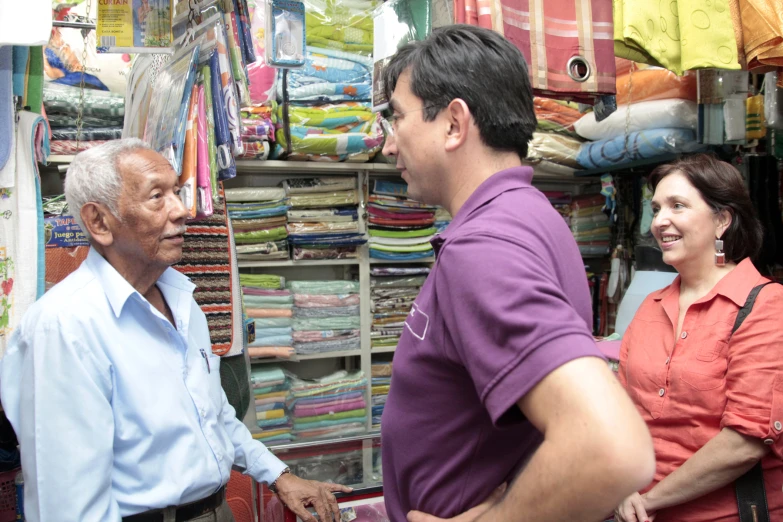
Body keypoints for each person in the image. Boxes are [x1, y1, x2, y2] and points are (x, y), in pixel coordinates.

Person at [377, 24, 655, 522]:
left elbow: (610, 445)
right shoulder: (528, 212)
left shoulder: (484, 246)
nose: (388, 145)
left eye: (397, 119)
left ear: (454, 124)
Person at [0, 139, 349, 522]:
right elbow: (69, 504)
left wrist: (277, 475)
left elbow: (211, 414)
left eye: (177, 192)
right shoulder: (66, 326)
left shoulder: (181, 301)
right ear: (99, 221)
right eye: (156, 196)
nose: (182, 209)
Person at [614, 154, 783, 522]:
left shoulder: (766, 305)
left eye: (678, 206)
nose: (660, 221)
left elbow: (744, 442)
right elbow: (620, 412)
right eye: (656, 208)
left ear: (722, 220)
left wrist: (651, 500)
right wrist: (623, 488)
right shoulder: (651, 305)